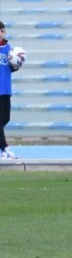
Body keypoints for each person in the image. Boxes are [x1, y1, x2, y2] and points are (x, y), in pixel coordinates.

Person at [0, 21, 22, 159]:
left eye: (3, 31)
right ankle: (5, 148)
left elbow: (11, 68)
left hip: (5, 89)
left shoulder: (9, 48)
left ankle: (4, 149)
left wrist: (17, 64)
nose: (2, 33)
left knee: (5, 119)